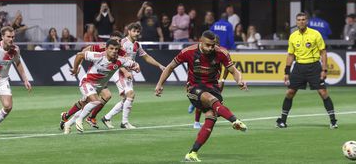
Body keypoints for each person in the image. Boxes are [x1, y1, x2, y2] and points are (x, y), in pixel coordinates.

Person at [155, 30, 248, 162]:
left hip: (213, 88)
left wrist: (240, 80)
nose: (211, 48)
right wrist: (159, 84)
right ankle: (235, 120)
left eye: (213, 45)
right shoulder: (188, 52)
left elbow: (234, 70)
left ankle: (192, 153)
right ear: (201, 42)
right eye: (208, 45)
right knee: (211, 100)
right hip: (194, 87)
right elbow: (170, 67)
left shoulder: (221, 53)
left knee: (211, 117)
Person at [275, 12, 338, 129]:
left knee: (323, 93)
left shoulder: (315, 34)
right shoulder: (293, 36)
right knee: (290, 92)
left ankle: (333, 121)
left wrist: (324, 69)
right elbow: (290, 55)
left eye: (303, 19)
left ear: (307, 21)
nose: (301, 21)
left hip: (314, 67)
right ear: (296, 22)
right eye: (299, 20)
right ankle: (282, 121)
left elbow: (323, 52)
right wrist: (286, 72)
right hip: (299, 67)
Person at [62, 39, 139, 134]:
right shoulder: (98, 56)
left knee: (85, 107)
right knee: (96, 101)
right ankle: (80, 120)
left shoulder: (120, 60)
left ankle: (68, 124)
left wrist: (136, 67)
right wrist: (75, 69)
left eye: (116, 49)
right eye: (111, 48)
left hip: (98, 87)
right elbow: (79, 55)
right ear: (106, 49)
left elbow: (133, 64)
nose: (114, 51)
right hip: (87, 82)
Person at [101, 23, 165, 129]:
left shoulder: (137, 45)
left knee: (127, 98)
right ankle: (124, 122)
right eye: (134, 31)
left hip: (129, 73)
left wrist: (159, 65)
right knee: (130, 94)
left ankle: (107, 117)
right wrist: (125, 71)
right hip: (120, 72)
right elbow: (115, 59)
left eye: (138, 31)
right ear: (129, 31)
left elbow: (146, 57)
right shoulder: (122, 43)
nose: (136, 33)